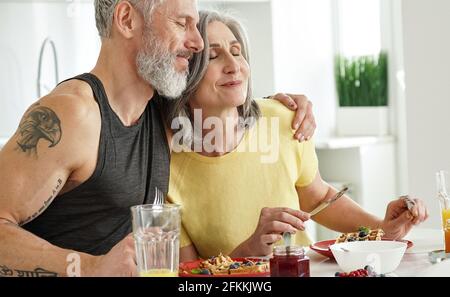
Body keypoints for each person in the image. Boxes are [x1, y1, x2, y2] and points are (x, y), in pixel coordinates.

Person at [0, 0, 316, 277]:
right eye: (181, 23)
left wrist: (281, 106)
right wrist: (89, 268)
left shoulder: (160, 112)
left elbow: (221, 102)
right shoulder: (73, 113)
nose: (197, 43)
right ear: (126, 19)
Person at [166, 10, 429, 261]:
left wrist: (382, 230)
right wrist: (248, 250)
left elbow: (318, 197)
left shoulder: (284, 119)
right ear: (184, 73)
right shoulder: (166, 168)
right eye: (213, 56)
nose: (234, 65)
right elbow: (188, 276)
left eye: (237, 52)